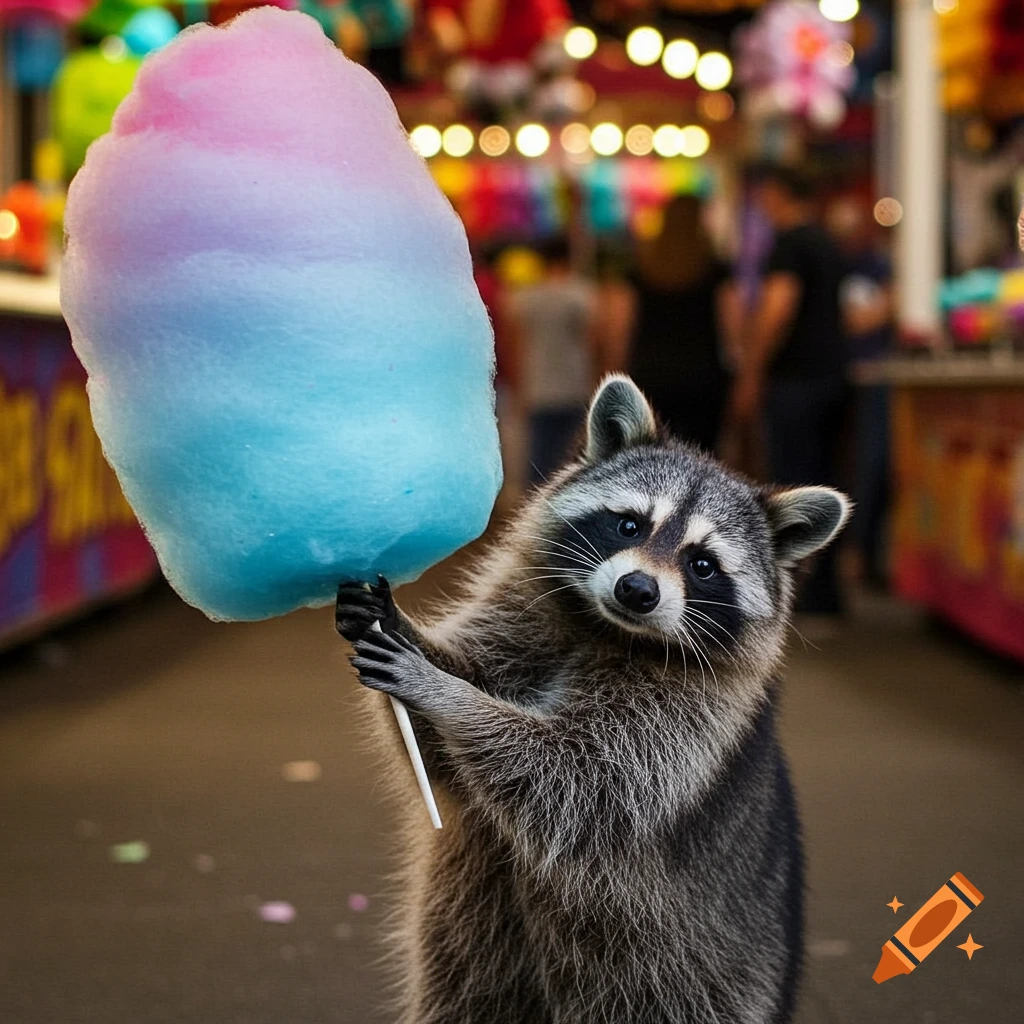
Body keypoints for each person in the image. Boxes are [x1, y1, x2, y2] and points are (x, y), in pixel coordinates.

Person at [734, 165, 850, 615]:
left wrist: (751, 372)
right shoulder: (826, 243)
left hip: (795, 384)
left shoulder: (788, 245)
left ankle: (793, 594)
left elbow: (777, 309)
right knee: (827, 486)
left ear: (776, 193)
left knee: (792, 495)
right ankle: (827, 593)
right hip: (832, 379)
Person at [624, 194, 737, 453]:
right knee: (703, 455)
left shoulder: (639, 271)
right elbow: (732, 327)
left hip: (650, 375)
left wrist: (615, 368)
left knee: (653, 455)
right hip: (703, 377)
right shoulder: (715, 270)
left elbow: (620, 327)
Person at [503, 236, 599, 484]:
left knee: (539, 461)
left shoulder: (525, 297)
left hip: (538, 388)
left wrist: (518, 388)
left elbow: (516, 346)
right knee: (576, 461)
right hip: (576, 386)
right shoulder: (583, 294)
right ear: (569, 258)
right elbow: (593, 344)